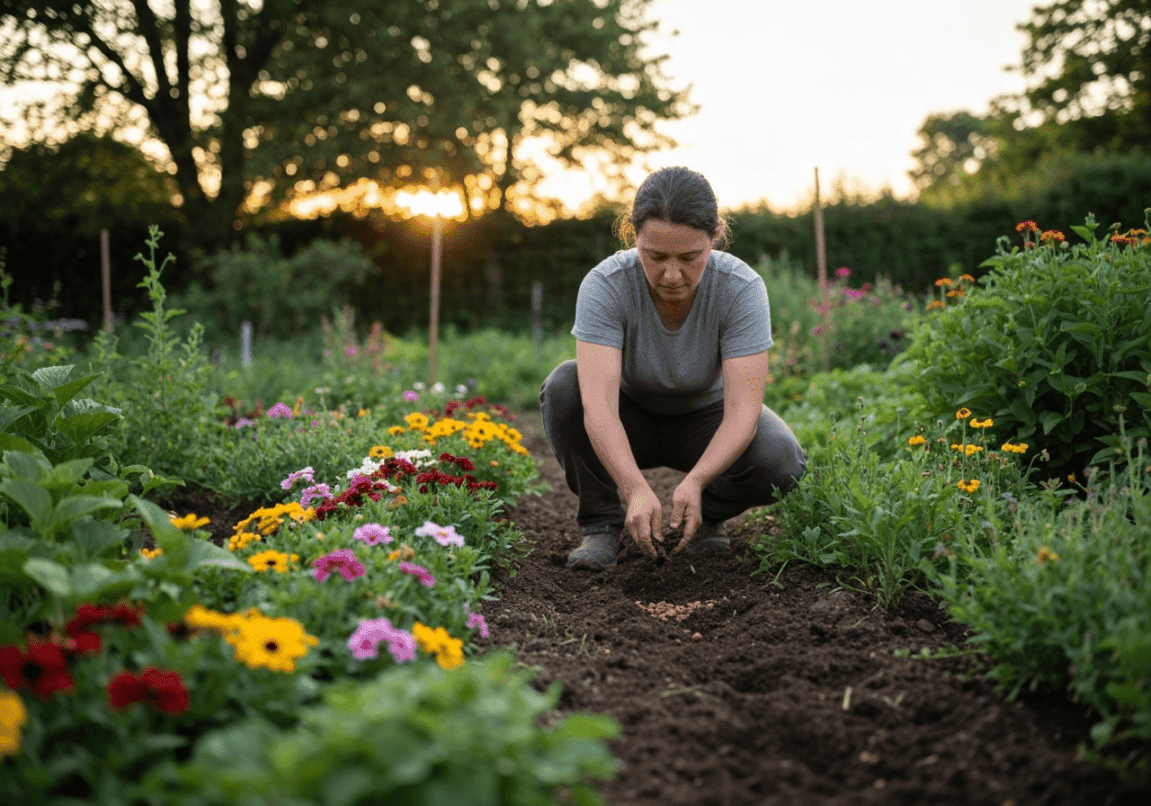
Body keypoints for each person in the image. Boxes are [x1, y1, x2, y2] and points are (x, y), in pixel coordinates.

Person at [539, 166, 807, 571]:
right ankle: (601, 525)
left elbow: (742, 412)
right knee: (564, 386)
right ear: (634, 237)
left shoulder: (740, 288)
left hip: (706, 422)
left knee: (781, 460)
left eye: (689, 257)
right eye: (655, 256)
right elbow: (599, 408)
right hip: (630, 419)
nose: (672, 274)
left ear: (715, 237)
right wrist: (633, 489)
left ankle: (705, 518)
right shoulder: (606, 285)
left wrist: (697, 482)